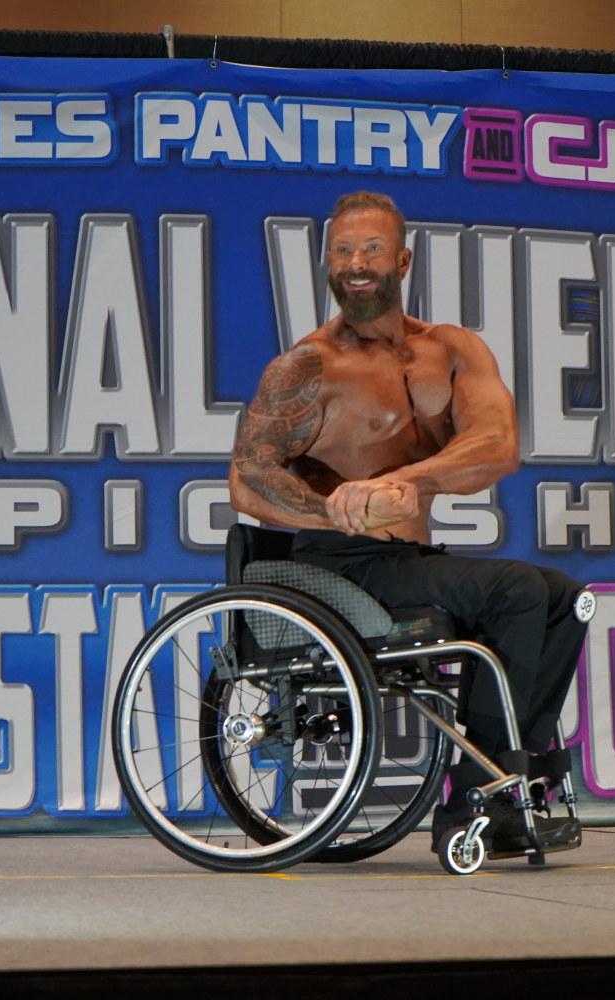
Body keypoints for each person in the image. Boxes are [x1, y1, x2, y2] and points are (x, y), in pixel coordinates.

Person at [228, 191, 587, 856]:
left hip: (411, 564)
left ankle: (513, 774)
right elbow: (247, 478)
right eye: (341, 250)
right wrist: (334, 509)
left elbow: (497, 445)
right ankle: (476, 799)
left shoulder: (451, 349)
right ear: (327, 263)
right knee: (517, 590)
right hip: (344, 567)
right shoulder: (308, 365)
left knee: (567, 597)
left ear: (402, 260)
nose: (355, 263)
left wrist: (405, 481)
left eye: (371, 249)